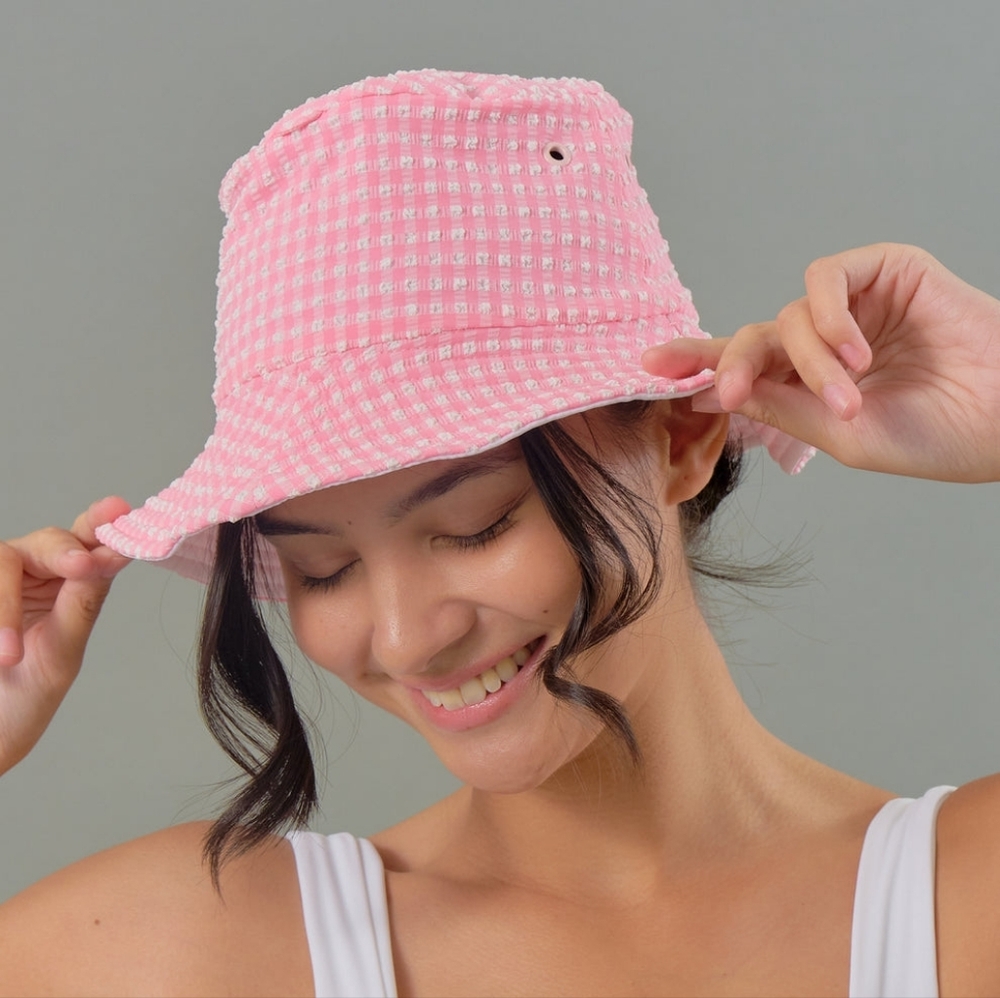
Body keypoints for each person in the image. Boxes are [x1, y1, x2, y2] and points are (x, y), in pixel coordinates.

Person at [0, 70, 998, 998]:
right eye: (324, 568)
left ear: (681, 439)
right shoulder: (199, 948)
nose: (406, 639)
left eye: (474, 527)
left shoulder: (964, 900)